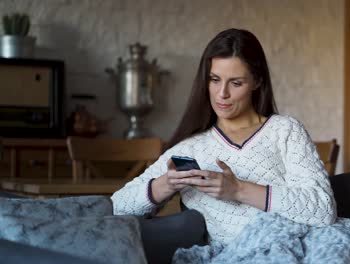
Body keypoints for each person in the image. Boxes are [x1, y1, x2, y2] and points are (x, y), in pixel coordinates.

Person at [111, 28, 336, 246]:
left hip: (308, 244)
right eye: (215, 79)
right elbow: (117, 206)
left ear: (257, 82)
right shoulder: (190, 149)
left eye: (236, 83)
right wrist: (165, 185)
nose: (222, 94)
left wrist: (238, 190)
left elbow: (323, 211)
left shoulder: (285, 130)